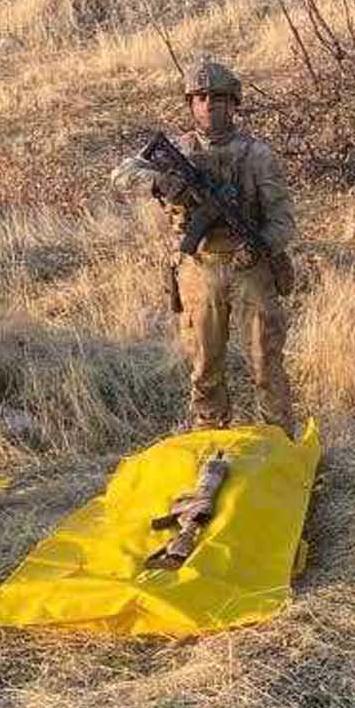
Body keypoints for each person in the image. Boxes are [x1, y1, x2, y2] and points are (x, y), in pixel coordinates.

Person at [114, 59, 298, 436]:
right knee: (204, 368)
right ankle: (209, 440)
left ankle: (281, 445)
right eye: (199, 98)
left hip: (250, 269)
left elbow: (283, 220)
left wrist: (261, 246)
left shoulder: (257, 156)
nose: (208, 105)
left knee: (266, 365)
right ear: (190, 104)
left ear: (233, 104)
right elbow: (122, 176)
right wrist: (161, 184)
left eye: (217, 98)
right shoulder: (175, 153)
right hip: (199, 268)